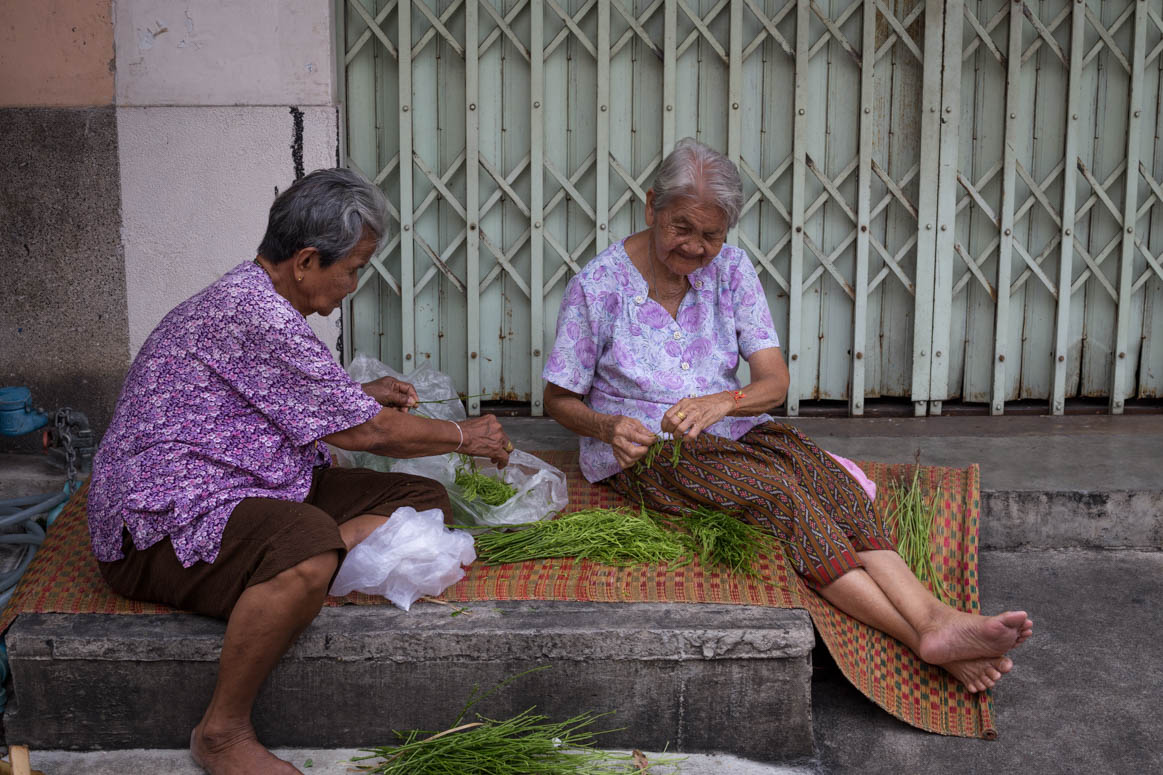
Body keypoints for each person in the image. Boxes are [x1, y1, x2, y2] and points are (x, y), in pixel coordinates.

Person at [542, 138, 1032, 695]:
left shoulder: (730, 270)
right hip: (649, 446)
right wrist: (607, 428)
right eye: (682, 228)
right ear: (650, 205)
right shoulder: (599, 287)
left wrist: (724, 401)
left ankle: (934, 616)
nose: (697, 247)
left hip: (733, 423)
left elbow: (773, 382)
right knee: (777, 493)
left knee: (823, 475)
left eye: (712, 235)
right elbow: (558, 400)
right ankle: (922, 634)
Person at [87, 168, 513, 775]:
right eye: (353, 268)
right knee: (308, 545)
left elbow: (292, 398)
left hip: (254, 479)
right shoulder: (255, 313)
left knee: (419, 498)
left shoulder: (259, 300)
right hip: (159, 523)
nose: (355, 283)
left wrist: (358, 392)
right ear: (307, 260)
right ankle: (222, 732)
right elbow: (365, 432)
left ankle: (293, 572)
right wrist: (463, 435)